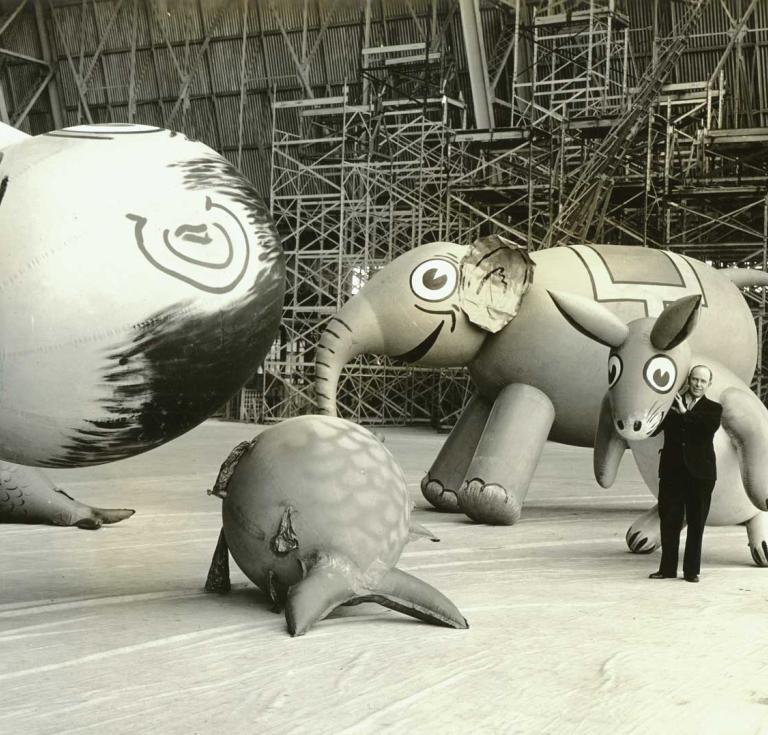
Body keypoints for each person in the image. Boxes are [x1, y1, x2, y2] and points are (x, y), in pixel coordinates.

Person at [649, 365, 722, 583]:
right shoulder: (670, 404)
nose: (698, 384)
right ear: (688, 380)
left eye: (703, 381)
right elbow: (654, 429)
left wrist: (684, 413)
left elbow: (706, 429)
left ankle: (691, 571)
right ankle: (667, 569)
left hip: (701, 475)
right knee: (669, 522)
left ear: (709, 384)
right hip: (672, 472)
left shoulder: (713, 408)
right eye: (695, 380)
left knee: (696, 523)